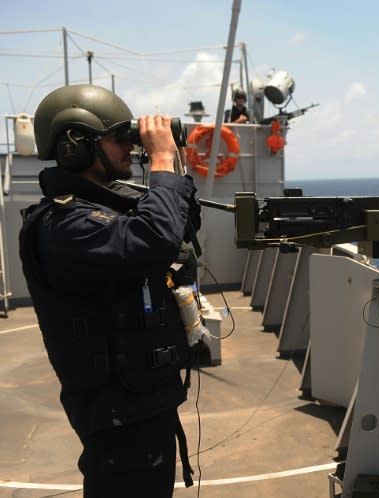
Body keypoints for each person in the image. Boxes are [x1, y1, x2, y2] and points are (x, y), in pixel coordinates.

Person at [19, 84, 201, 497]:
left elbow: (175, 233)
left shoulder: (104, 210)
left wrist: (172, 171)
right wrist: (160, 160)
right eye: (118, 138)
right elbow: (153, 241)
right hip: (117, 417)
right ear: (75, 146)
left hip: (138, 406)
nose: (127, 147)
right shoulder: (64, 225)